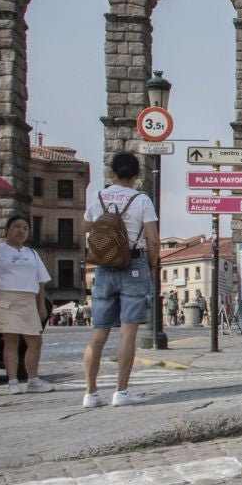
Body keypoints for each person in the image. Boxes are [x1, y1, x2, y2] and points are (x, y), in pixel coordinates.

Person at [81, 151, 159, 408]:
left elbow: (84, 229)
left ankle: (90, 394)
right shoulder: (141, 200)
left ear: (111, 174)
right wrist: (151, 264)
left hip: (104, 268)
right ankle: (121, 392)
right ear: (137, 175)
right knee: (127, 333)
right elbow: (153, 239)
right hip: (133, 265)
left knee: (98, 333)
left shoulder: (98, 197)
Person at [0, 214, 54, 393]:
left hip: (29, 299)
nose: (21, 231)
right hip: (6, 298)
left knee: (35, 341)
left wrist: (41, 304)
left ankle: (33, 379)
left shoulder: (32, 253)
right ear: (7, 230)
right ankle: (13, 382)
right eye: (17, 226)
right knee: (11, 341)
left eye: (25, 228)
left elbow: (41, 280)